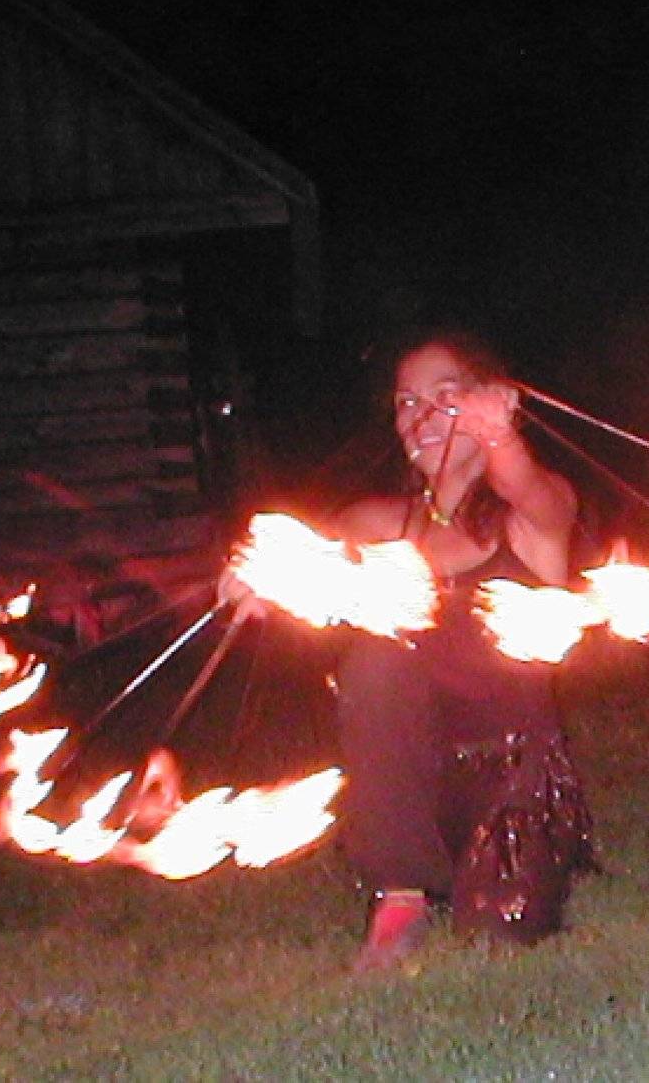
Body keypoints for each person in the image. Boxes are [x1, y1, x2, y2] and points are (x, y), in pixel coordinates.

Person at [241, 327, 596, 971]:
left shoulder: (533, 517)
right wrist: (255, 572)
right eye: (407, 401)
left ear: (492, 400)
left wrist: (500, 438)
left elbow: (527, 489)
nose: (420, 415)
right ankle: (401, 892)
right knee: (377, 658)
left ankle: (492, 870)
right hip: (409, 793)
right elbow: (308, 545)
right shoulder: (380, 523)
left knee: (503, 933)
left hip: (509, 790)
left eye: (445, 396)